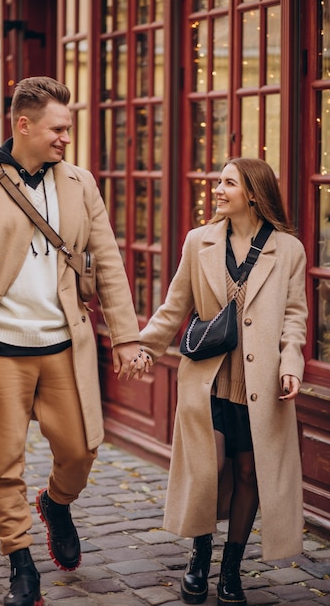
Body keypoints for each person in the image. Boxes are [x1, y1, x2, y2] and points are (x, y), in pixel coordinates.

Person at [0, 76, 143, 606]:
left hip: (64, 346)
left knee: (81, 447)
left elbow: (109, 263)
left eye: (68, 128)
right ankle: (21, 563)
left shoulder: (79, 183)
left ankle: (56, 503)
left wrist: (127, 336)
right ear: (23, 125)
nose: (67, 137)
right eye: (58, 128)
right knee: (4, 464)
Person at [123, 158, 307, 606]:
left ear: (253, 194)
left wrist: (292, 362)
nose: (217, 189)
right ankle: (199, 556)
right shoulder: (198, 241)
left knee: (248, 473)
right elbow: (174, 305)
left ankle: (231, 570)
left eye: (228, 182)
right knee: (212, 467)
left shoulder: (289, 250)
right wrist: (145, 345)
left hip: (262, 386)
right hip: (207, 381)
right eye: (218, 181)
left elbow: (295, 317)